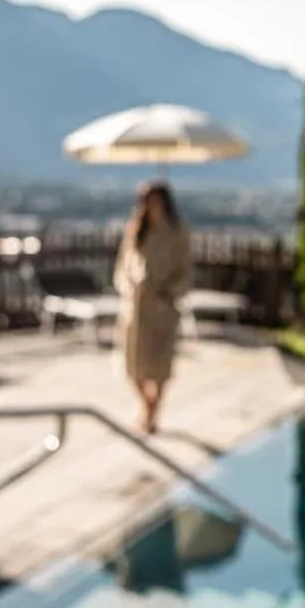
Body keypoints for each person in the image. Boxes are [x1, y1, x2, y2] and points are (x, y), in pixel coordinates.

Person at [113, 181, 191, 434]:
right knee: (134, 367)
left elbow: (185, 272)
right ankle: (147, 407)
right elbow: (122, 268)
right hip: (136, 310)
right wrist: (129, 287)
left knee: (160, 366)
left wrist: (170, 292)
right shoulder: (135, 230)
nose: (150, 205)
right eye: (146, 200)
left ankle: (151, 414)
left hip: (163, 309)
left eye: (154, 200)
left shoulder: (178, 232)